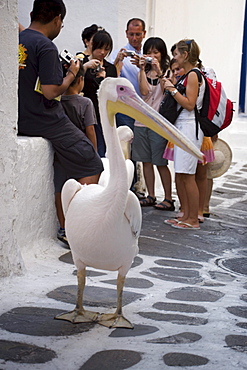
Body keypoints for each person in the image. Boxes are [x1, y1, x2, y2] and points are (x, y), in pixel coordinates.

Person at [18, 0, 103, 245]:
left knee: (64, 169)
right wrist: (72, 74)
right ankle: (77, 229)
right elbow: (51, 91)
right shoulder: (45, 46)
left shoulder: (21, 40)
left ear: (33, 13)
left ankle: (66, 226)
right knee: (91, 161)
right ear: (57, 19)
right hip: (45, 119)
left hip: (22, 118)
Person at [162, 39, 205, 230]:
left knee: (188, 175)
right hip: (183, 127)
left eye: (177, 54)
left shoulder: (194, 75)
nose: (175, 57)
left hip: (190, 127)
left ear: (185, 55)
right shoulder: (187, 75)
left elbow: (189, 104)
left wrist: (171, 90)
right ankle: (186, 215)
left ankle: (193, 219)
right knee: (182, 173)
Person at [131, 37, 174, 210]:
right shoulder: (143, 71)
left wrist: (159, 71)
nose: (152, 55)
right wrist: (142, 69)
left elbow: (166, 92)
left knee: (160, 162)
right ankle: (151, 196)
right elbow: (143, 91)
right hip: (141, 121)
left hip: (159, 123)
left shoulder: (169, 72)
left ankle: (169, 198)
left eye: (155, 52)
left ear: (162, 54)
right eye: (148, 52)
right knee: (145, 162)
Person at [82, 29, 117, 157]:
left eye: (106, 49)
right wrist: (85, 67)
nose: (102, 52)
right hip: (84, 113)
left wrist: (104, 79)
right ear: (92, 45)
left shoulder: (110, 68)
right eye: (99, 48)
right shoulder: (82, 62)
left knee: (101, 149)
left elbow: (113, 94)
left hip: (102, 114)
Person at [110, 18, 146, 130]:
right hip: (126, 108)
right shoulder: (117, 55)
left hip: (147, 107)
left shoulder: (149, 54)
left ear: (144, 34)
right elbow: (111, 80)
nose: (134, 38)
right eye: (131, 34)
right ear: (126, 33)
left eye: (138, 34)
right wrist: (117, 62)